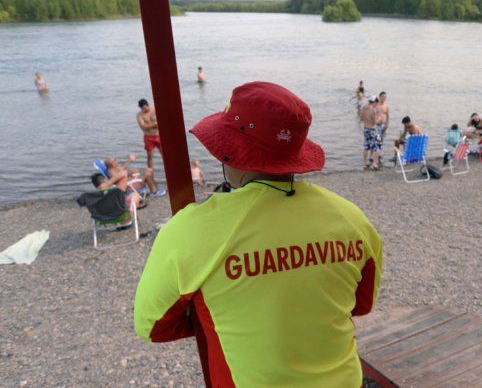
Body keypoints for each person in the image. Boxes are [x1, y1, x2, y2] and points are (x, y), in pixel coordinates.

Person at [134, 81, 382, 388]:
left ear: (229, 155)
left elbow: (152, 325)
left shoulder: (191, 229)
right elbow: (360, 303)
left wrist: (229, 315)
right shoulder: (351, 218)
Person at [96, 153, 163, 197]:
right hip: (129, 186)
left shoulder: (114, 168)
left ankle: (154, 188)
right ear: (111, 164)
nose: (116, 161)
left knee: (147, 170)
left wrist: (130, 159)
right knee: (148, 172)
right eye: (114, 161)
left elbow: (123, 168)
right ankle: (154, 192)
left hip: (131, 182)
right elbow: (121, 179)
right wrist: (130, 174)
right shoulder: (111, 172)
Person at [136, 98, 161, 169]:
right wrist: (154, 125)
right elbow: (143, 127)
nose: (145, 110)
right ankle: (150, 173)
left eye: (145, 108)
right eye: (142, 109)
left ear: (148, 105)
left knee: (164, 154)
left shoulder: (154, 110)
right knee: (150, 156)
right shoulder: (139, 115)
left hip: (158, 135)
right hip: (148, 137)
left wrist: (149, 126)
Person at [360, 96, 382, 170]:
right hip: (372, 129)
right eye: (376, 103)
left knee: (366, 146)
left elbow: (361, 118)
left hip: (365, 129)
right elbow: (375, 122)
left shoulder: (364, 108)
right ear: (374, 102)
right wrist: (379, 117)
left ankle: (364, 164)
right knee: (377, 147)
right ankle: (374, 164)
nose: (377, 104)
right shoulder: (373, 110)